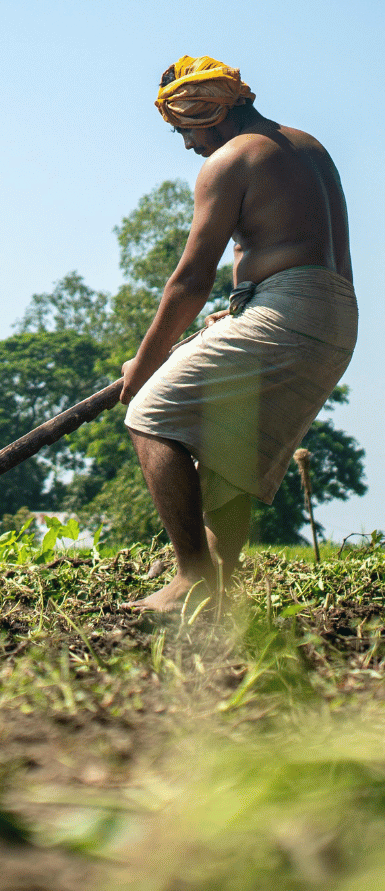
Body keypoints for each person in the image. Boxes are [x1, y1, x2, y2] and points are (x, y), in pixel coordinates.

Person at [120, 57, 357, 611]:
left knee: (153, 414)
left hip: (289, 313)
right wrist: (250, 306)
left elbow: (189, 281)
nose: (185, 145)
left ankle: (192, 581)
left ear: (210, 111)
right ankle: (219, 592)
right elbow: (302, 249)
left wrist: (144, 364)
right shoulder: (307, 147)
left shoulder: (231, 160)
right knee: (229, 449)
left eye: (185, 130)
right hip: (333, 314)